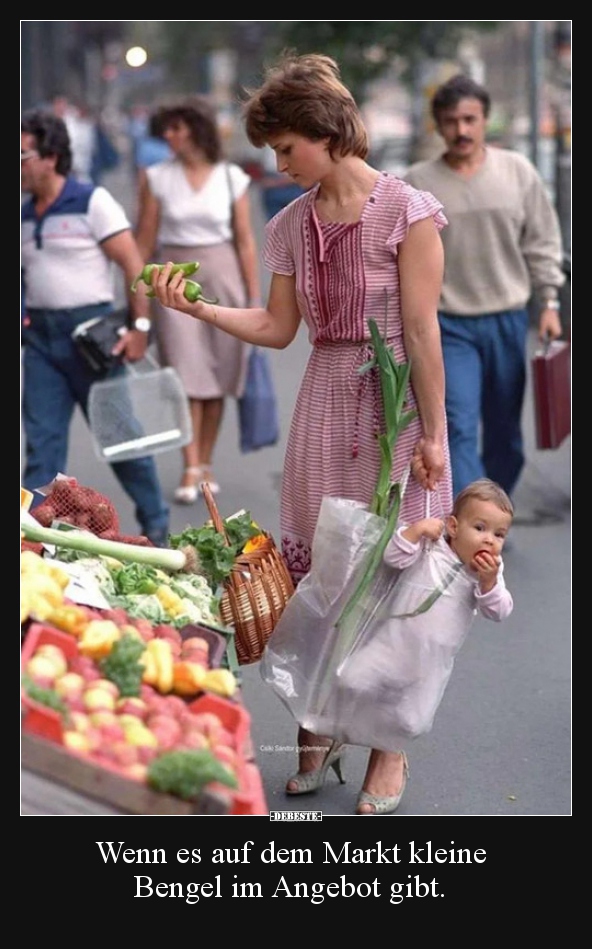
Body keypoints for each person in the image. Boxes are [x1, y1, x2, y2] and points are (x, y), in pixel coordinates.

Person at [149, 52, 453, 815]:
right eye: (273, 152)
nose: (278, 164)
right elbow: (279, 328)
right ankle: (317, 723)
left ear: (324, 132)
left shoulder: (408, 212)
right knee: (318, 575)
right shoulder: (288, 223)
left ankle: (389, 751)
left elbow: (421, 331)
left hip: (394, 407)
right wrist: (201, 311)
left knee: (395, 577)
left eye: (286, 148)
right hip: (323, 402)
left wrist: (436, 434)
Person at [404, 73, 565, 499]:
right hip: (448, 324)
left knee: (505, 432)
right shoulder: (417, 182)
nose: (462, 130)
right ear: (437, 125)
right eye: (452, 120)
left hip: (507, 320)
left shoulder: (517, 171)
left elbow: (543, 241)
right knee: (456, 424)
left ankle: (494, 512)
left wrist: (549, 302)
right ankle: (470, 521)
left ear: (484, 120)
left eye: (470, 119)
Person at [21, 108, 170, 545]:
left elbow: (133, 266)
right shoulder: (23, 214)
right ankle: (31, 542)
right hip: (41, 345)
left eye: (21, 155)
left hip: (92, 341)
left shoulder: (91, 201)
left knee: (122, 441)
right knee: (40, 448)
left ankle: (156, 525)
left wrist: (140, 326)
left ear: (51, 156)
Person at [135, 95, 261, 501]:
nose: (169, 136)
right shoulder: (155, 177)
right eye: (166, 129)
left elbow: (244, 241)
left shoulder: (230, 177)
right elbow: (145, 240)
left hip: (223, 274)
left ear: (195, 129)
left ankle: (205, 461)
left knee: (219, 376)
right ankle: (190, 466)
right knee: (186, 376)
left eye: (176, 127)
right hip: (174, 278)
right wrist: (138, 293)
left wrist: (253, 298)